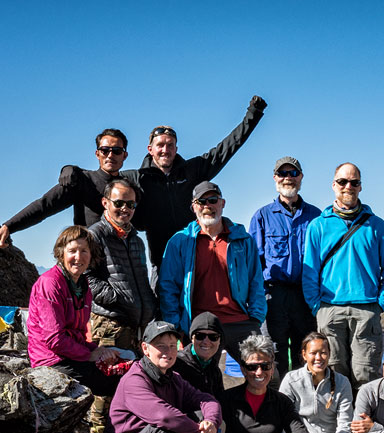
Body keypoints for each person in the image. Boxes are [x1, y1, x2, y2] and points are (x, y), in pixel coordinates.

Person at [99, 320, 240, 433]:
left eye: (173, 346)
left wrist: (211, 424)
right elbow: (164, 416)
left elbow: (208, 400)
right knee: (166, 428)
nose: (168, 351)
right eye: (161, 346)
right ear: (145, 349)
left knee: (204, 420)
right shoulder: (134, 380)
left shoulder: (174, 379)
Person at [122, 96, 267, 269]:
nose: (165, 150)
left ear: (176, 149)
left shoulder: (193, 170)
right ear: (150, 149)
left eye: (170, 145)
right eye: (160, 145)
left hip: (196, 258)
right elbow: (103, 182)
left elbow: (227, 148)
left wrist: (254, 113)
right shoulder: (137, 179)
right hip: (162, 263)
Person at [303, 163, 384, 390]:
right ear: (334, 185)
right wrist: (318, 307)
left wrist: (379, 305)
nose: (348, 186)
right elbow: (309, 273)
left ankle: (365, 423)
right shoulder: (318, 226)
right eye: (343, 182)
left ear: (360, 187)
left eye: (354, 182)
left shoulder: (376, 226)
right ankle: (336, 424)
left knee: (365, 372)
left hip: (366, 310)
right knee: (333, 373)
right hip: (329, 310)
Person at [84, 179, 158, 433]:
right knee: (105, 388)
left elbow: (140, 280)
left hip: (136, 325)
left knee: (130, 388)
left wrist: (148, 308)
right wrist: (120, 299)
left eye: (131, 204)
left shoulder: (136, 239)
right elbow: (88, 278)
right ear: (105, 203)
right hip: (110, 323)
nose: (125, 208)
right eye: (119, 203)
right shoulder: (95, 235)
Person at [159, 181, 266, 360]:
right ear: (194, 207)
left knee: (264, 372)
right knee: (202, 382)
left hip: (240, 321)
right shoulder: (179, 241)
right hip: (200, 325)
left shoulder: (243, 239)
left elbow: (256, 281)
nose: (207, 206)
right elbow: (168, 286)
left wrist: (255, 318)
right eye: (202, 201)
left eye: (213, 200)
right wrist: (177, 326)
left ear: (222, 203)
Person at [0, 129, 128, 248]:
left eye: (116, 151)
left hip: (123, 261)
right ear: (97, 153)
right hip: (88, 260)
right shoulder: (82, 180)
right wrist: (10, 226)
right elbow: (45, 205)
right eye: (105, 150)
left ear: (124, 155)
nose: (110, 155)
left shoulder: (130, 187)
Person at [26, 226, 119, 397]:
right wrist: (89, 355)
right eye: (72, 251)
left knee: (122, 370)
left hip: (72, 357)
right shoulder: (50, 283)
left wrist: (99, 350)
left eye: (84, 251)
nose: (78, 257)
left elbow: (78, 335)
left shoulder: (84, 288)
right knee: (114, 383)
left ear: (91, 256)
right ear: (61, 254)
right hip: (51, 361)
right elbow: (54, 339)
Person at [249, 157, 321, 374]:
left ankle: (304, 406)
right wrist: (259, 299)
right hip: (274, 297)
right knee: (273, 355)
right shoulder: (262, 216)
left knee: (306, 352)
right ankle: (277, 404)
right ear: (275, 178)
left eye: (293, 173)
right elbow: (254, 264)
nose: (288, 178)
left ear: (300, 177)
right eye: (283, 174)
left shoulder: (316, 217)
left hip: (306, 296)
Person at [279, 332, 354, 433]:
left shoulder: (342, 382)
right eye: (313, 353)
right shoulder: (291, 380)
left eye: (323, 353)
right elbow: (283, 417)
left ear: (329, 354)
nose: (318, 358)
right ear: (304, 354)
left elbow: (345, 421)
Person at [171, 311, 226, 399]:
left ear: (219, 341)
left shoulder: (215, 370)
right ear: (192, 339)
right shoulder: (175, 364)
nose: (206, 342)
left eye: (213, 337)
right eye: (200, 336)